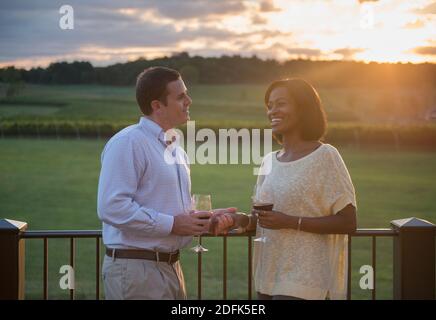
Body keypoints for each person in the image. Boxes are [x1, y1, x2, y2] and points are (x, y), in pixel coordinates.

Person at [97, 66, 235, 300]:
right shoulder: (128, 142)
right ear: (157, 105)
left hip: (171, 267)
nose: (189, 101)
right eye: (181, 97)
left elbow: (168, 206)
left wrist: (202, 218)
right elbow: (111, 207)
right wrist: (172, 224)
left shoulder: (176, 148)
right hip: (137, 272)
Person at [217, 78, 357, 300]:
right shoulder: (268, 161)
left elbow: (348, 222)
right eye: (270, 105)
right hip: (269, 272)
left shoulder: (326, 156)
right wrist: (241, 221)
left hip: (306, 277)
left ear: (303, 108)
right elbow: (263, 219)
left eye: (281, 103)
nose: (273, 111)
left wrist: (291, 222)